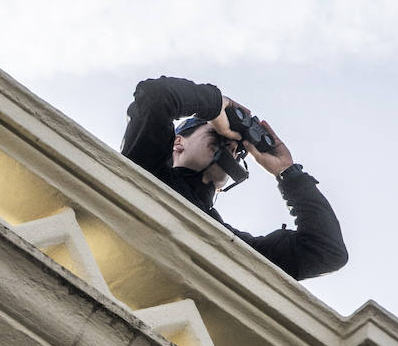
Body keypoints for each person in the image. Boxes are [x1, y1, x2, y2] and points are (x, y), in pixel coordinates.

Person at [121, 75, 347, 280]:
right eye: (218, 135)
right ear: (178, 142)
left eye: (239, 151)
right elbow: (155, 95)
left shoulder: (229, 243)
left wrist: (287, 172)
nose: (231, 146)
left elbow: (326, 251)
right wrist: (218, 106)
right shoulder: (147, 166)